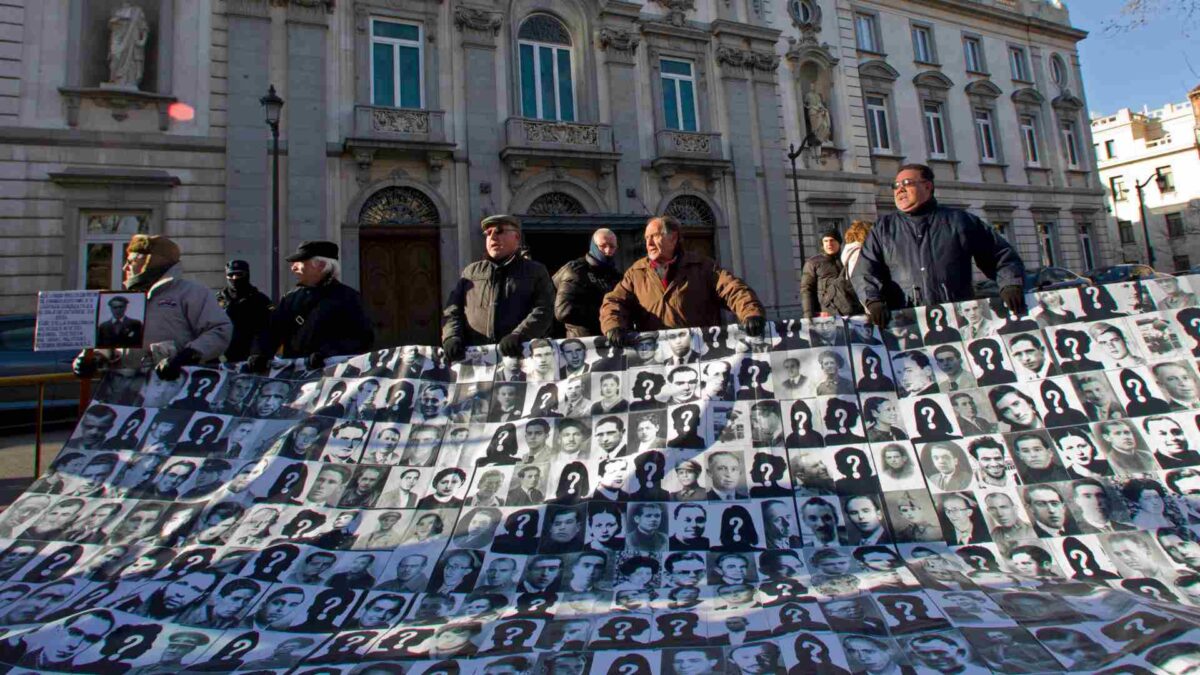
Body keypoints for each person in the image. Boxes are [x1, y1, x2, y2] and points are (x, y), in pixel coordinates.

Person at [852, 163, 1025, 328]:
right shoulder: (883, 228)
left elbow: (1001, 256)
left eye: (907, 183)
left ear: (927, 186)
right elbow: (864, 270)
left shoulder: (960, 221)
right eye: (895, 185)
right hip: (907, 323)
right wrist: (873, 301)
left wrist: (1010, 284)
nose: (900, 190)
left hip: (957, 320)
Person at [73, 234, 232, 380]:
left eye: (130, 261)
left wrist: (187, 356)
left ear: (150, 261)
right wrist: (92, 359)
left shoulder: (190, 292)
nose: (125, 268)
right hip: (124, 391)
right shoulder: (125, 299)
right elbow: (110, 342)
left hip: (173, 386)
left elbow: (219, 330)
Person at [600, 215, 766, 344]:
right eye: (646, 238)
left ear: (673, 238)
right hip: (657, 357)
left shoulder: (702, 266)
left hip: (700, 353)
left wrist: (751, 313)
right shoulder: (636, 272)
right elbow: (614, 301)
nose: (648, 243)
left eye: (654, 236)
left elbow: (733, 289)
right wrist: (613, 326)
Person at [246, 240, 373, 372]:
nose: (293, 268)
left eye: (300, 262)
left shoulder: (348, 298)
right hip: (296, 378)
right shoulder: (291, 298)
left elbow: (363, 339)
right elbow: (270, 331)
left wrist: (326, 353)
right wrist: (259, 354)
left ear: (321, 265)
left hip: (330, 376)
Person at [442, 214, 554, 360]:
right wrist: (452, 336)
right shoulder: (471, 272)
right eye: (488, 233)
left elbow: (544, 309)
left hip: (519, 355)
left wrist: (519, 335)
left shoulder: (535, 271)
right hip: (477, 357)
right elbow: (452, 309)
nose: (493, 237)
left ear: (517, 238)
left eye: (500, 231)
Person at [553, 228, 622, 337]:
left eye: (612, 246)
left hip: (610, 339)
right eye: (603, 246)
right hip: (583, 344)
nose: (608, 251)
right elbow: (563, 311)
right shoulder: (576, 271)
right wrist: (605, 313)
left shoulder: (615, 275)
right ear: (594, 246)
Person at [216, 259, 273, 362]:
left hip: (251, 359)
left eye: (239, 274)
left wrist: (258, 353)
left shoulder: (260, 300)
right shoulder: (217, 300)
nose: (234, 278)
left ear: (247, 275)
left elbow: (268, 330)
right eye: (231, 275)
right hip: (222, 358)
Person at [800, 229, 861, 318]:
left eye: (832, 240)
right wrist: (809, 315)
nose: (829, 244)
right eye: (826, 241)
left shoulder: (848, 259)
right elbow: (806, 289)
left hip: (854, 312)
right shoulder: (813, 263)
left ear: (839, 242)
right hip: (827, 315)